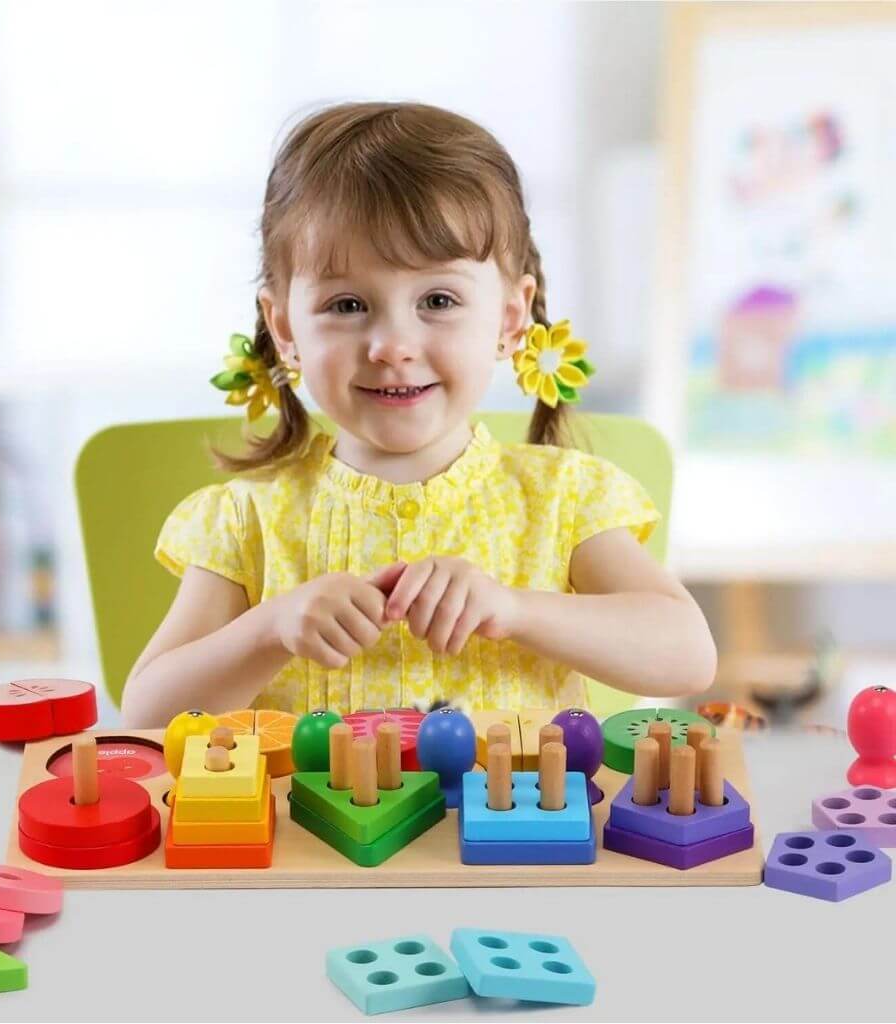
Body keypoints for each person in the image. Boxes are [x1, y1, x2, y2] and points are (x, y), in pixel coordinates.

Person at [121, 101, 716, 728]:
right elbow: (146, 711)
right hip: (307, 829)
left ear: (510, 318)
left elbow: (687, 653)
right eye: (347, 304)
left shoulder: (564, 499)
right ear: (285, 326)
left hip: (510, 827)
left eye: (438, 299)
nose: (392, 345)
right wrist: (269, 629)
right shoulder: (247, 519)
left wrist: (514, 609)